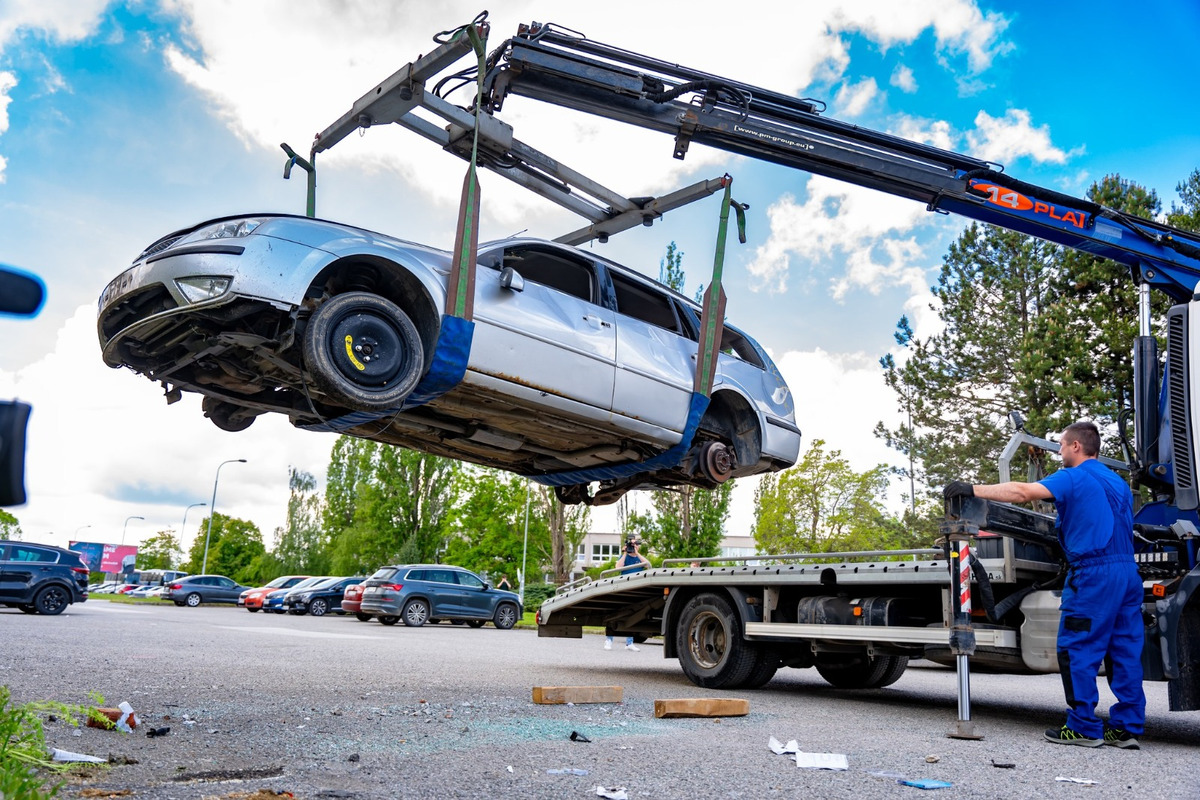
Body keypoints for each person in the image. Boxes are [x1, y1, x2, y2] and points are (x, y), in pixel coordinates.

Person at [943, 421, 1145, 749]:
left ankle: (1082, 727)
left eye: (1062, 445)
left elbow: (1022, 492)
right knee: (1124, 650)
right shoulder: (1117, 482)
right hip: (1127, 574)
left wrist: (972, 488)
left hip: (1094, 575)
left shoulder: (1073, 476)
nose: (1060, 451)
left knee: (1078, 648)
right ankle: (1127, 728)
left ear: (1076, 446)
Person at [605, 538, 650, 652]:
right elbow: (618, 567)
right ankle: (609, 640)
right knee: (615, 614)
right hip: (623, 587)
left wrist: (637, 553)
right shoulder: (624, 556)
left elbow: (648, 565)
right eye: (631, 545)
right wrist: (625, 553)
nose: (633, 547)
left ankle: (629, 642)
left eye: (635, 544)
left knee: (632, 615)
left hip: (636, 589)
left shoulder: (640, 558)